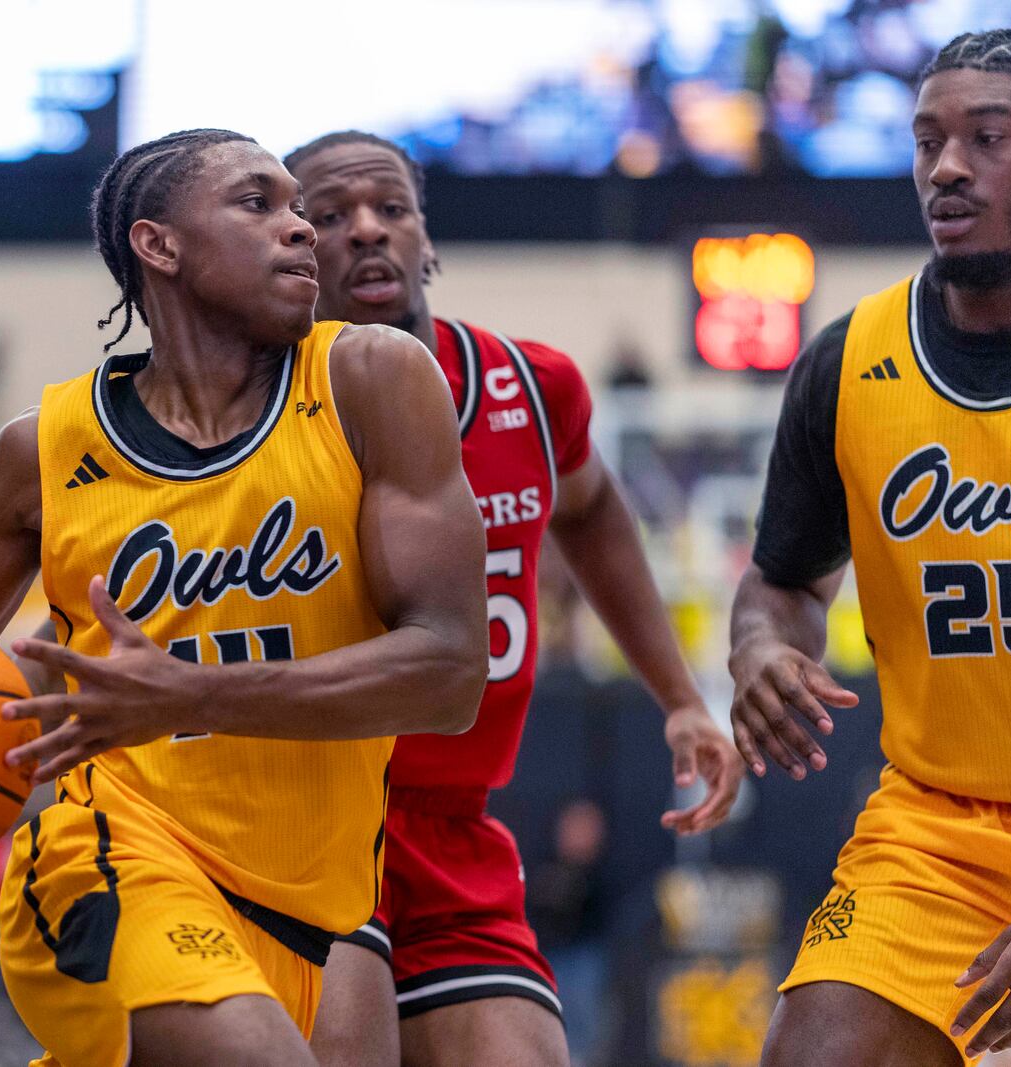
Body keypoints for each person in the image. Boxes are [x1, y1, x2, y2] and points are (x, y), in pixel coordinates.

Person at [0, 128, 489, 1067]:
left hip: (309, 905)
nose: (299, 228)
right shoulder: (45, 450)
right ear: (159, 245)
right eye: (257, 203)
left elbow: (449, 674)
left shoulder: (371, 380)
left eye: (293, 205)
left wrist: (190, 694)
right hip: (106, 856)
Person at [281, 131, 744, 1067]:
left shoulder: (532, 387)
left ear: (428, 240)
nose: (367, 231)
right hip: (302, 826)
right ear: (294, 254)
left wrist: (681, 694)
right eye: (330, 216)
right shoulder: (260, 411)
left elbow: (598, 514)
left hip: (454, 833)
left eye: (392, 209)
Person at [731, 29, 1011, 1066]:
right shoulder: (848, 359)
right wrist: (761, 646)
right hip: (940, 829)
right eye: (927, 140)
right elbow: (780, 580)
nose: (945, 166)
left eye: (986, 138)